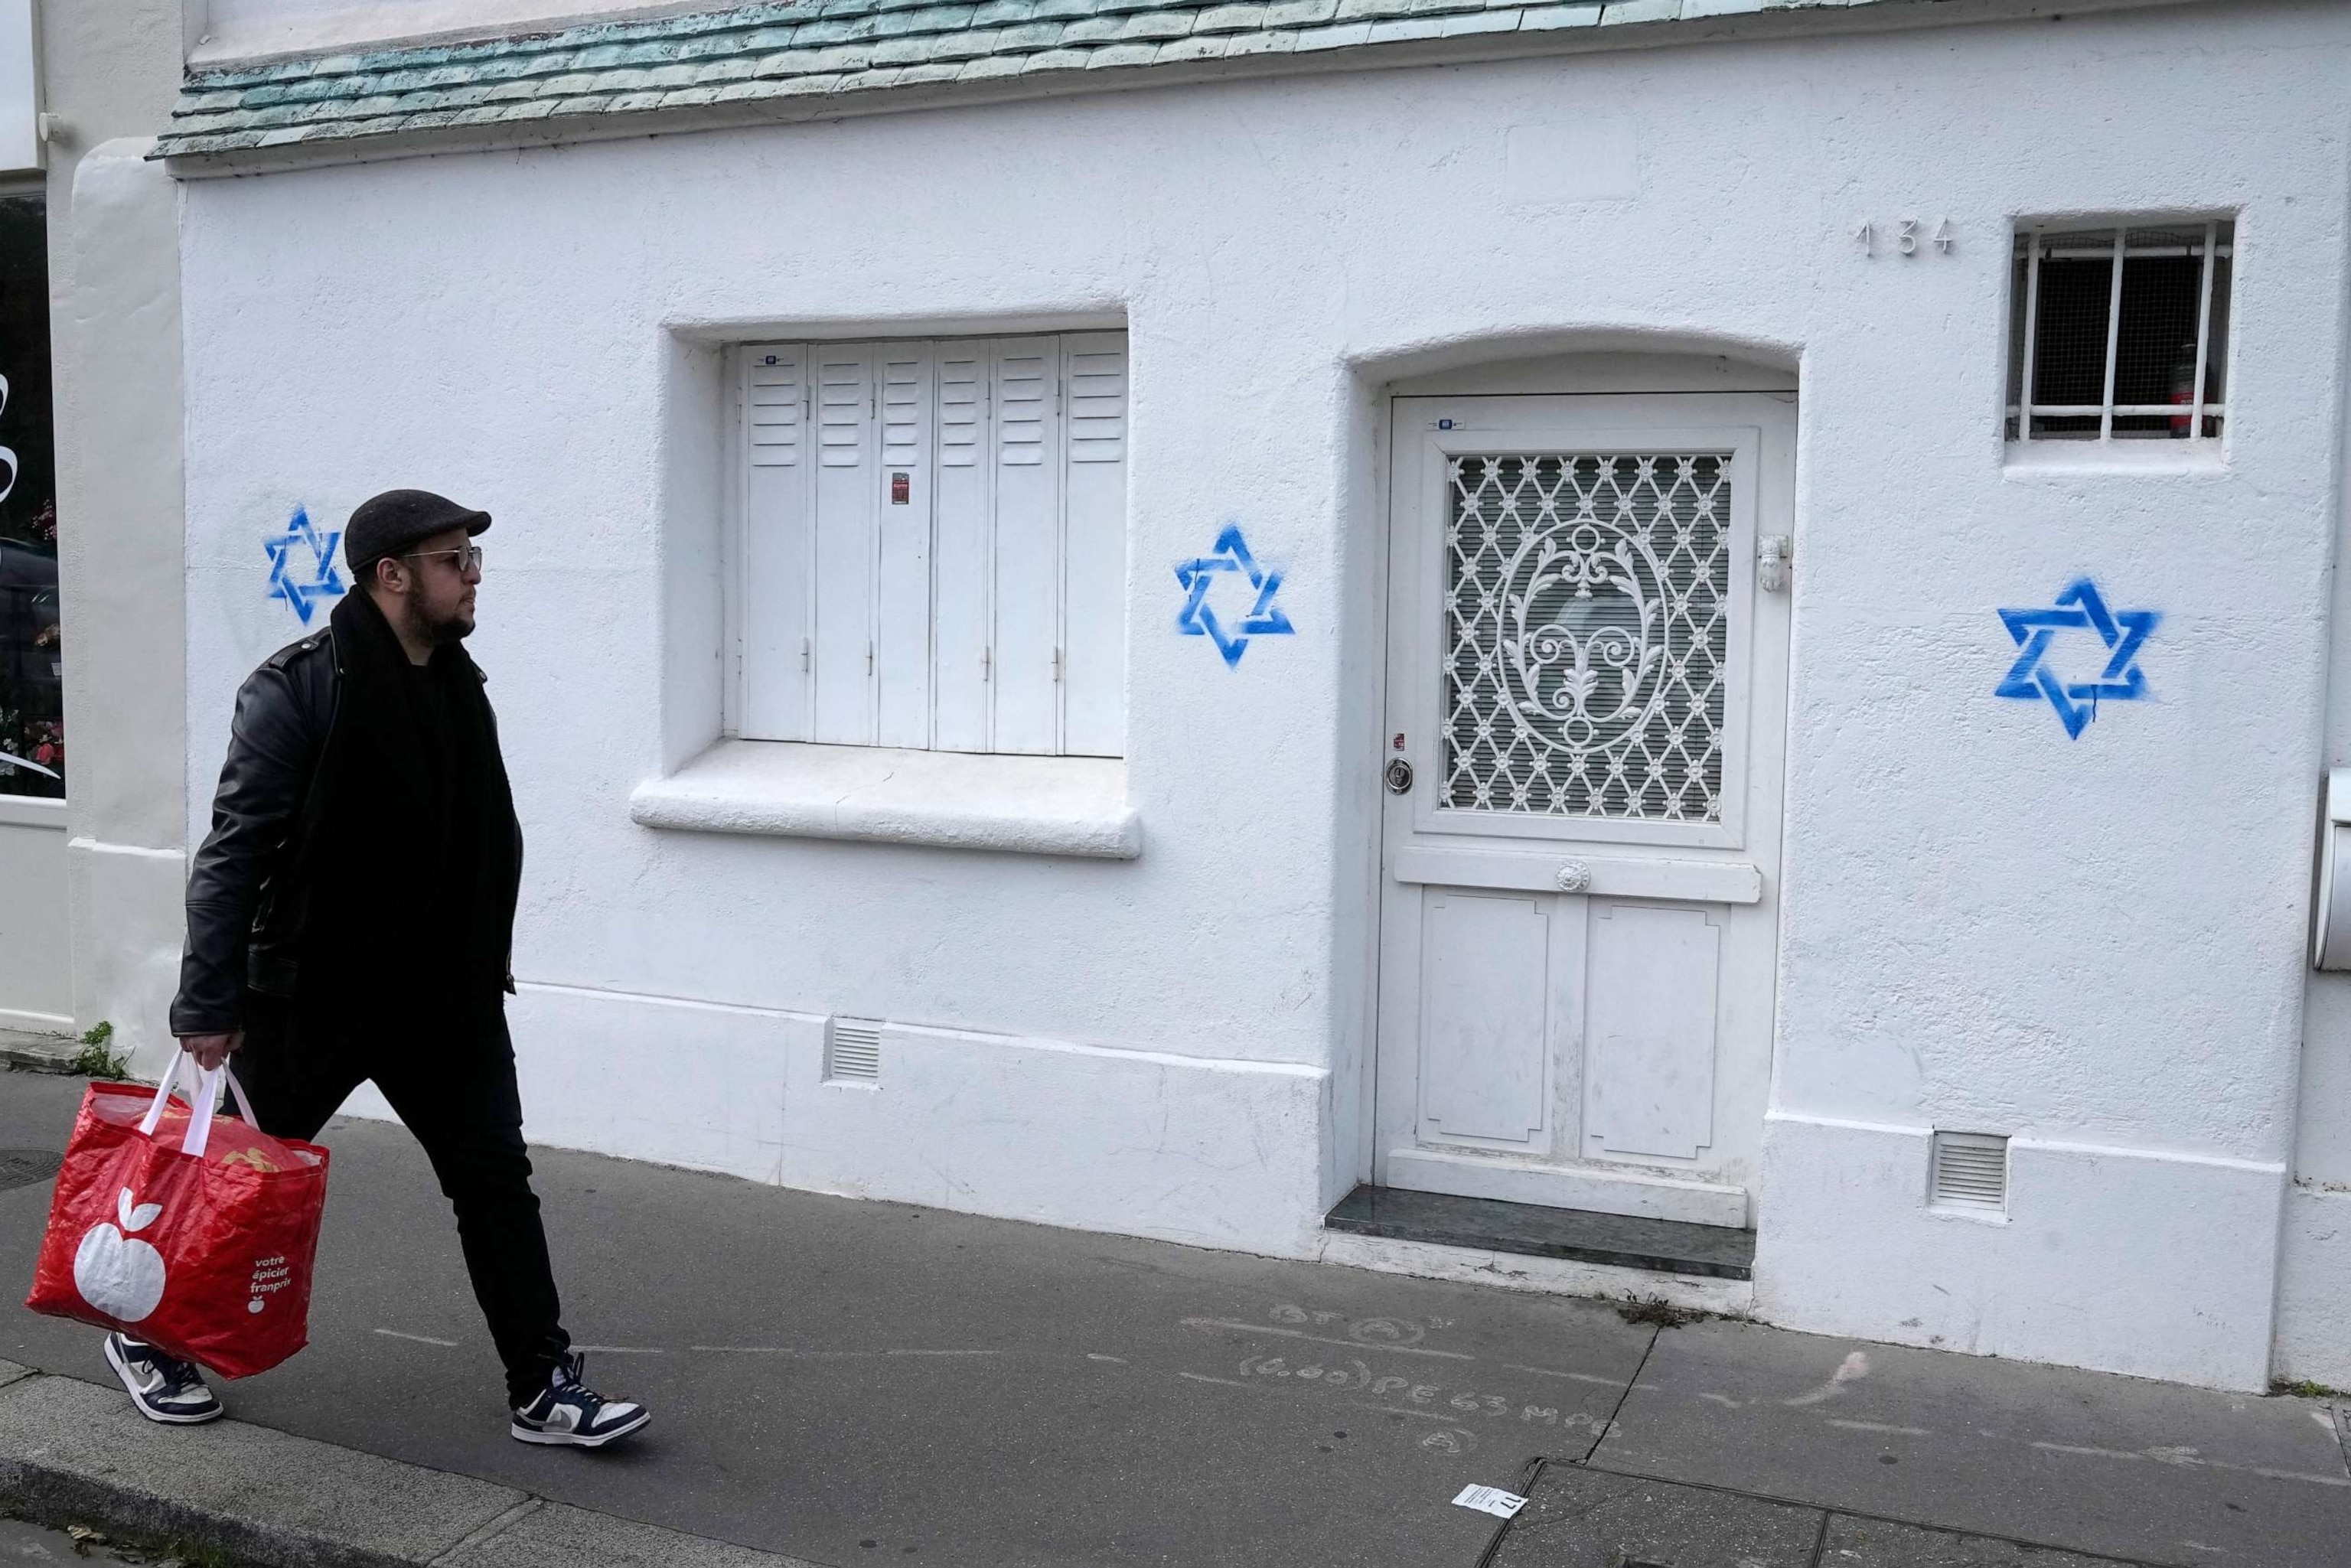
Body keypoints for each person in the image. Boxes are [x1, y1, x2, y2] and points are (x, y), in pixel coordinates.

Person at [105, 489, 649, 1448]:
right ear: (391, 575)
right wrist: (209, 1003)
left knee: (494, 1183)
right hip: (314, 997)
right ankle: (147, 1335)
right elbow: (235, 853)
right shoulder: (299, 688)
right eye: (454, 560)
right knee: (236, 1177)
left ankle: (542, 1385)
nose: (474, 575)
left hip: (446, 1000)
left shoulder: (455, 681)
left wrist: (485, 965)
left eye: (473, 558)